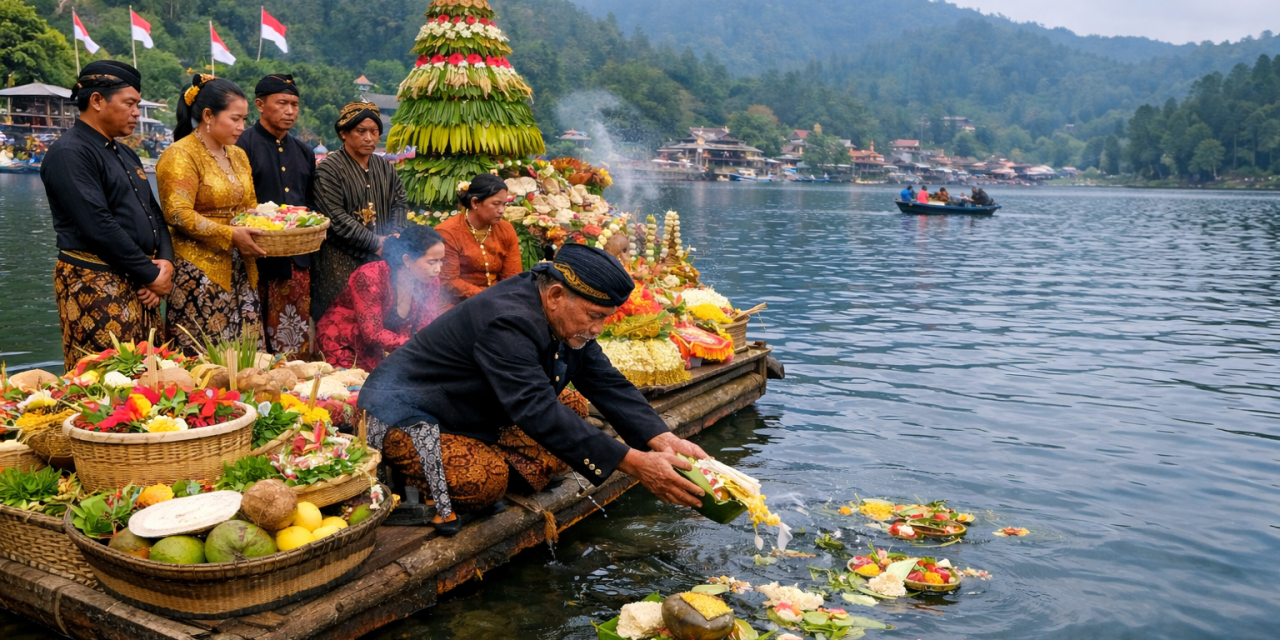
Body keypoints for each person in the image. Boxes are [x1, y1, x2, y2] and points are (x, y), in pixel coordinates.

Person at [357, 243, 709, 533]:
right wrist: (637, 465)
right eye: (595, 316)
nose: (599, 328)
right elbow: (535, 408)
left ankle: (496, 458)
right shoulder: (509, 320)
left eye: (606, 318)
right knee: (485, 478)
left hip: (475, 405)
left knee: (572, 406)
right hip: (404, 412)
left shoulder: (555, 306)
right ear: (556, 294)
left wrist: (662, 439)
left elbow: (605, 381)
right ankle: (427, 479)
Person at [41, 61, 174, 369]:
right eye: (130, 103)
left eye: (138, 105)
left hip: (140, 281)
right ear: (97, 101)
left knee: (149, 377)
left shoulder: (124, 152)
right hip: (93, 282)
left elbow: (153, 213)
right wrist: (151, 275)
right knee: (104, 379)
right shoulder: (70, 153)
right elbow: (97, 226)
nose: (137, 112)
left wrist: (164, 264)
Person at [157, 75, 265, 354]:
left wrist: (268, 225)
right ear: (208, 115)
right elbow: (177, 213)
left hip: (242, 267)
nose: (242, 126)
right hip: (199, 272)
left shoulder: (238, 155)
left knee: (248, 358)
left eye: (244, 119)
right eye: (235, 119)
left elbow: (250, 206)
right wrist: (230, 234)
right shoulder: (180, 154)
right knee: (206, 360)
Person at [235, 74, 317, 355]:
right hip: (255, 258)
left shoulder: (304, 152)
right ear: (259, 104)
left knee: (293, 343)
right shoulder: (241, 146)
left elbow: (309, 202)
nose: (290, 111)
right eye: (282, 103)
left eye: (295, 104)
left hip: (296, 262)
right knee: (253, 343)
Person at [311, 102, 408, 319]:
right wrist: (377, 243)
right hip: (340, 260)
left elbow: (400, 203)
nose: (369, 138)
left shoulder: (385, 167)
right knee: (341, 322)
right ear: (344, 133)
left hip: (382, 258)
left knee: (377, 320)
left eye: (374, 132)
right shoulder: (329, 169)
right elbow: (334, 217)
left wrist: (394, 237)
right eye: (361, 131)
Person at [315, 226, 447, 370]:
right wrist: (417, 347)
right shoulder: (370, 276)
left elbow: (425, 326)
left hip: (388, 348)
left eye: (441, 261)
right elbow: (372, 334)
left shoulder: (430, 281)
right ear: (407, 260)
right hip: (344, 344)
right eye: (432, 262)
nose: (438, 269)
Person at [436, 174, 522, 301]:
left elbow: (512, 276)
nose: (501, 210)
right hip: (457, 303)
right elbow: (449, 281)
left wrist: (502, 298)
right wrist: (489, 297)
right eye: (496, 204)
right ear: (475, 202)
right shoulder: (449, 232)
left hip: (498, 299)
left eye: (504, 204)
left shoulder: (506, 229)